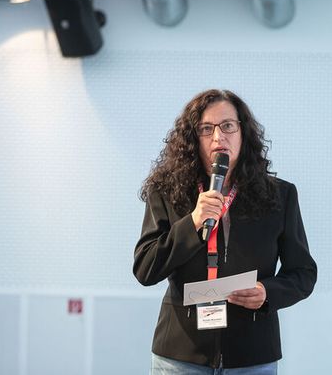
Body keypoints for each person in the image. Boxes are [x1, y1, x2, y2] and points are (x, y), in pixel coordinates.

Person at [134, 89, 317, 374]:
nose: (218, 138)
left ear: (244, 134)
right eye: (206, 129)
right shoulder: (167, 193)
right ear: (194, 139)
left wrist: (267, 292)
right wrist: (192, 221)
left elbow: (303, 273)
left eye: (228, 126)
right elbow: (145, 269)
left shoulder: (280, 196)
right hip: (181, 356)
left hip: (252, 355)